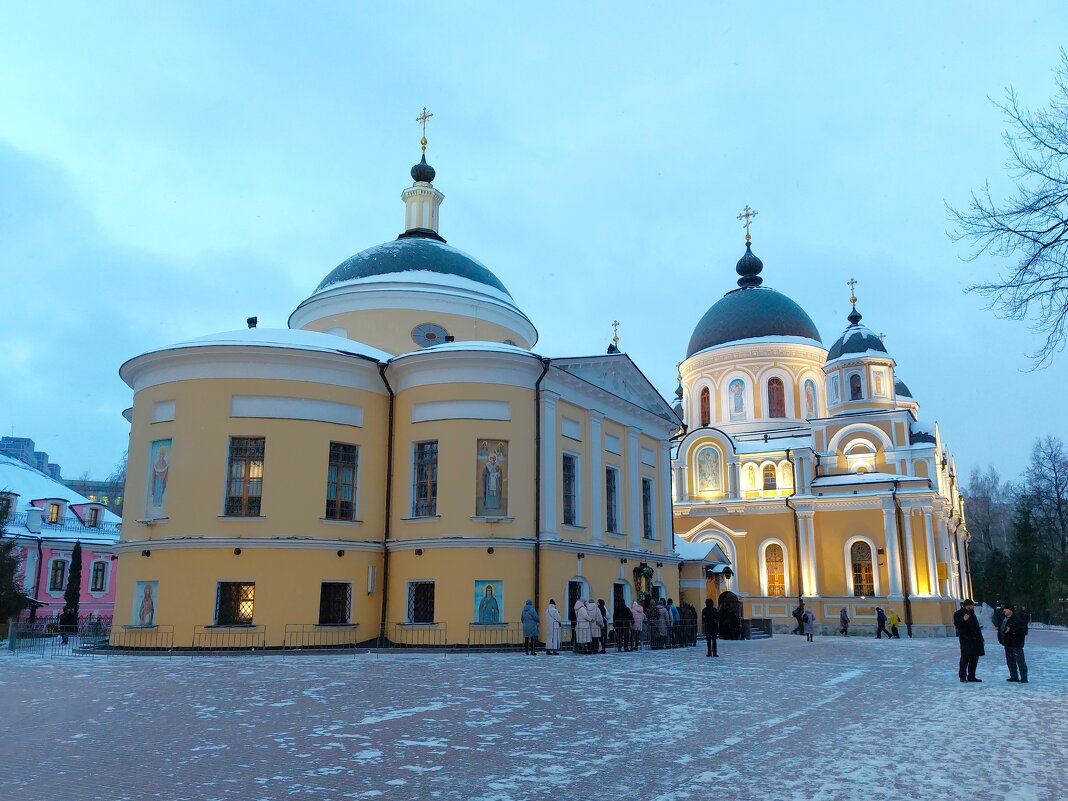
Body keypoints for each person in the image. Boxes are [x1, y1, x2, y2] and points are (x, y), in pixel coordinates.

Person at [953, 599, 985, 683]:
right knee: (965, 658)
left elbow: (977, 627)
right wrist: (963, 620)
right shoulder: (958, 613)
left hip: (975, 640)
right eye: (971, 605)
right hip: (965, 640)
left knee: (974, 659)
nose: (972, 607)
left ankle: (971, 676)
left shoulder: (972, 613)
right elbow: (957, 624)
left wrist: (981, 638)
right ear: (967, 605)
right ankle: (962, 676)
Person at [1000, 604, 1029, 683]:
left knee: (1020, 661)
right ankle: (1013, 676)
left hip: (1016, 644)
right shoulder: (1005, 619)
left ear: (1010, 610)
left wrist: (1011, 631)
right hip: (1007, 643)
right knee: (1010, 661)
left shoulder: (1018, 619)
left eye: (1006, 609)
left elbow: (1023, 631)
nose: (1004, 611)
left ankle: (1024, 677)